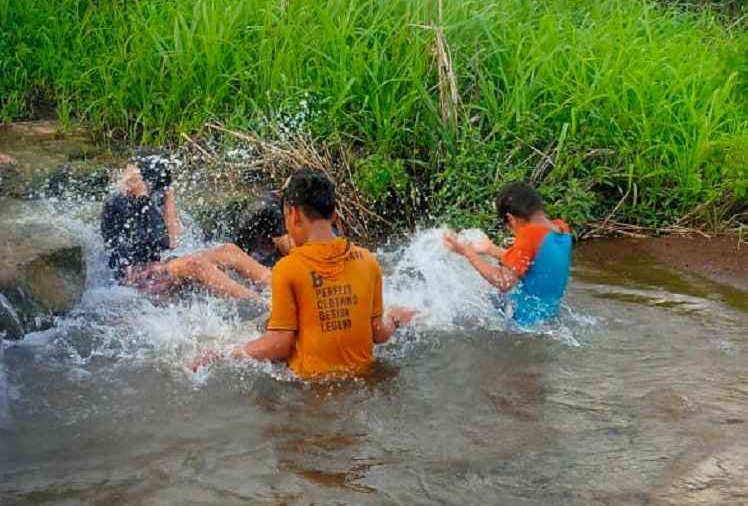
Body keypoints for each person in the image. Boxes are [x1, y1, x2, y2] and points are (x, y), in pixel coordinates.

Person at [192, 168, 414, 377]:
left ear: (294, 214)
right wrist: (394, 318)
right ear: (334, 214)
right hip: (363, 378)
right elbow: (378, 334)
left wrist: (224, 355)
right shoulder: (368, 260)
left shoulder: (288, 269)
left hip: (309, 392)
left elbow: (278, 345)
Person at [101, 155, 270, 299]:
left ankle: (279, 288)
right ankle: (259, 304)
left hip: (155, 269)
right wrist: (143, 197)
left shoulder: (148, 197)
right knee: (193, 263)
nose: (129, 176)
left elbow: (174, 239)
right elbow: (163, 241)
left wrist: (168, 192)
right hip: (133, 278)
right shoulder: (117, 201)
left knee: (228, 250)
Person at [443, 181, 572, 326]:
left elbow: (503, 282)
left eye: (508, 227)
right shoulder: (562, 230)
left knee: (462, 309)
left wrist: (467, 252)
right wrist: (490, 249)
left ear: (511, 219)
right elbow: (534, 263)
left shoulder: (528, 234)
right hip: (548, 317)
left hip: (522, 322)